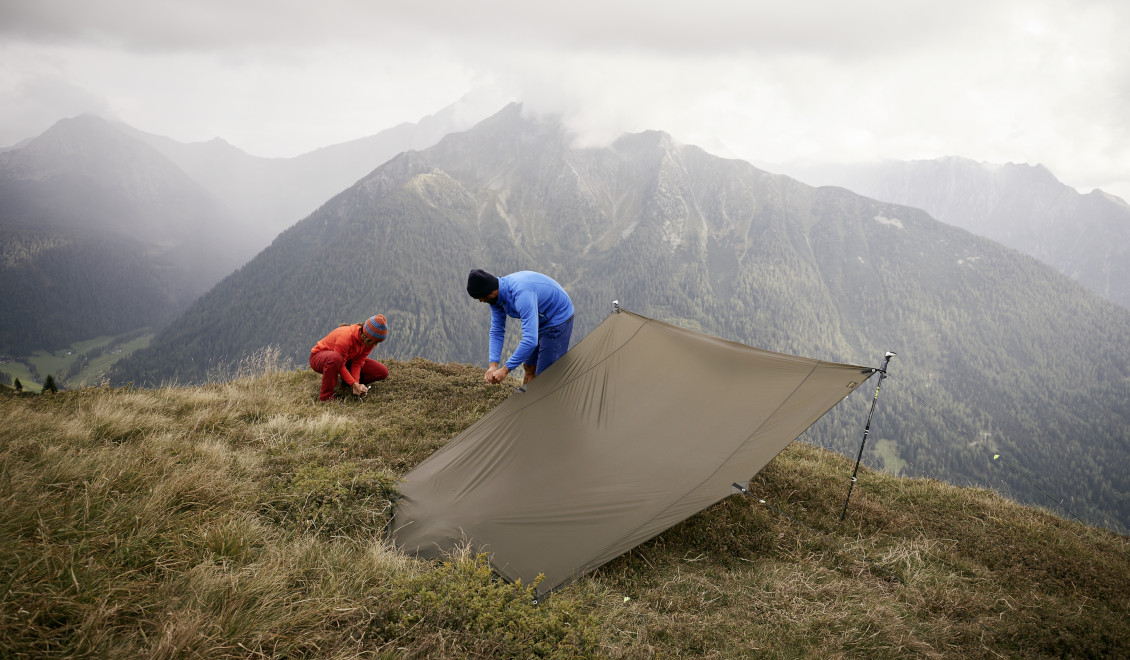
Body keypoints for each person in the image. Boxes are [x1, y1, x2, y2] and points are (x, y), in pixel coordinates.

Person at [466, 269, 574, 385]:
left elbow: (530, 341)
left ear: (489, 291)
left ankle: (543, 400)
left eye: (480, 297)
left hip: (557, 319)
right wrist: (493, 365)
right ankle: (525, 400)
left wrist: (505, 369)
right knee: (529, 366)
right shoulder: (495, 298)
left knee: (545, 376)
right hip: (539, 317)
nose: (481, 301)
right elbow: (497, 331)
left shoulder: (521, 295)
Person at [309, 314, 389, 401]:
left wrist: (356, 384)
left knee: (382, 372)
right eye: (372, 342)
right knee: (336, 358)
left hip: (344, 360)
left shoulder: (370, 342)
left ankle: (344, 382)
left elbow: (357, 362)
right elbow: (341, 364)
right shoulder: (346, 337)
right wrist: (353, 384)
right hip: (320, 358)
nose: (373, 345)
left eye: (376, 342)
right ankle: (326, 397)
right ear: (366, 336)